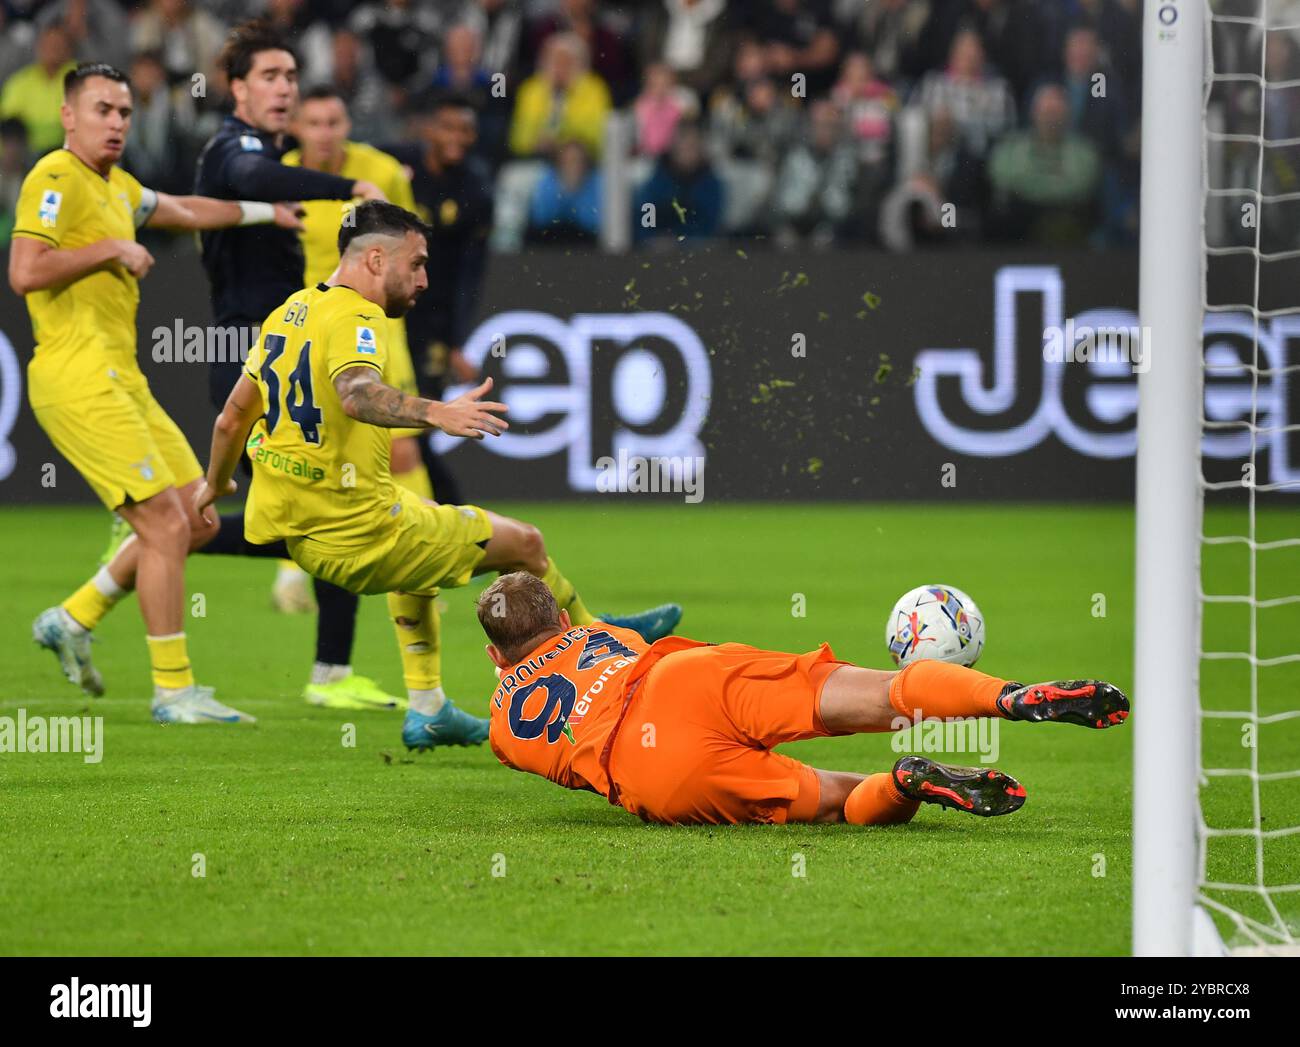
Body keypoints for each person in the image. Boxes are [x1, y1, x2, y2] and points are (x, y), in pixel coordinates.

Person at [195, 201, 682, 751]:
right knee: (526, 544)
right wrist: (437, 412)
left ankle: (427, 709)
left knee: (417, 555)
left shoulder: (291, 312)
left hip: (305, 536)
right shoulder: (359, 318)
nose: (425, 279)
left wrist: (215, 484)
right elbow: (355, 393)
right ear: (376, 259)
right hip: (360, 534)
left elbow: (232, 415)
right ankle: (599, 640)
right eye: (417, 263)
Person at [11, 62, 300, 724]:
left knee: (196, 514)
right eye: (102, 110)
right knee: (165, 523)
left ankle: (74, 615)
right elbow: (25, 271)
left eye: (124, 112)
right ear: (68, 116)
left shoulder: (117, 187)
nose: (116, 122)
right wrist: (110, 248)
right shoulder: (54, 176)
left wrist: (265, 212)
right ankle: (174, 690)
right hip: (77, 376)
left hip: (122, 378)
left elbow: (184, 209)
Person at [477, 572, 1130, 826]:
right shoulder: (599, 633)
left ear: (495, 656)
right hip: (690, 676)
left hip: (655, 766)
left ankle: (902, 782)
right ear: (562, 621)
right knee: (885, 692)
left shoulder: (502, 729)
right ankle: (1010, 697)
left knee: (842, 800)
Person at [191, 18, 391, 706]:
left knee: (318, 511)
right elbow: (250, 175)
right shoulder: (234, 149)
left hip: (273, 356)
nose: (284, 88)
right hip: (247, 354)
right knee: (331, 513)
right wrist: (347, 187)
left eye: (290, 77)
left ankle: (162, 537)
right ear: (237, 88)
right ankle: (165, 536)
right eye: (269, 77)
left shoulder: (266, 156)